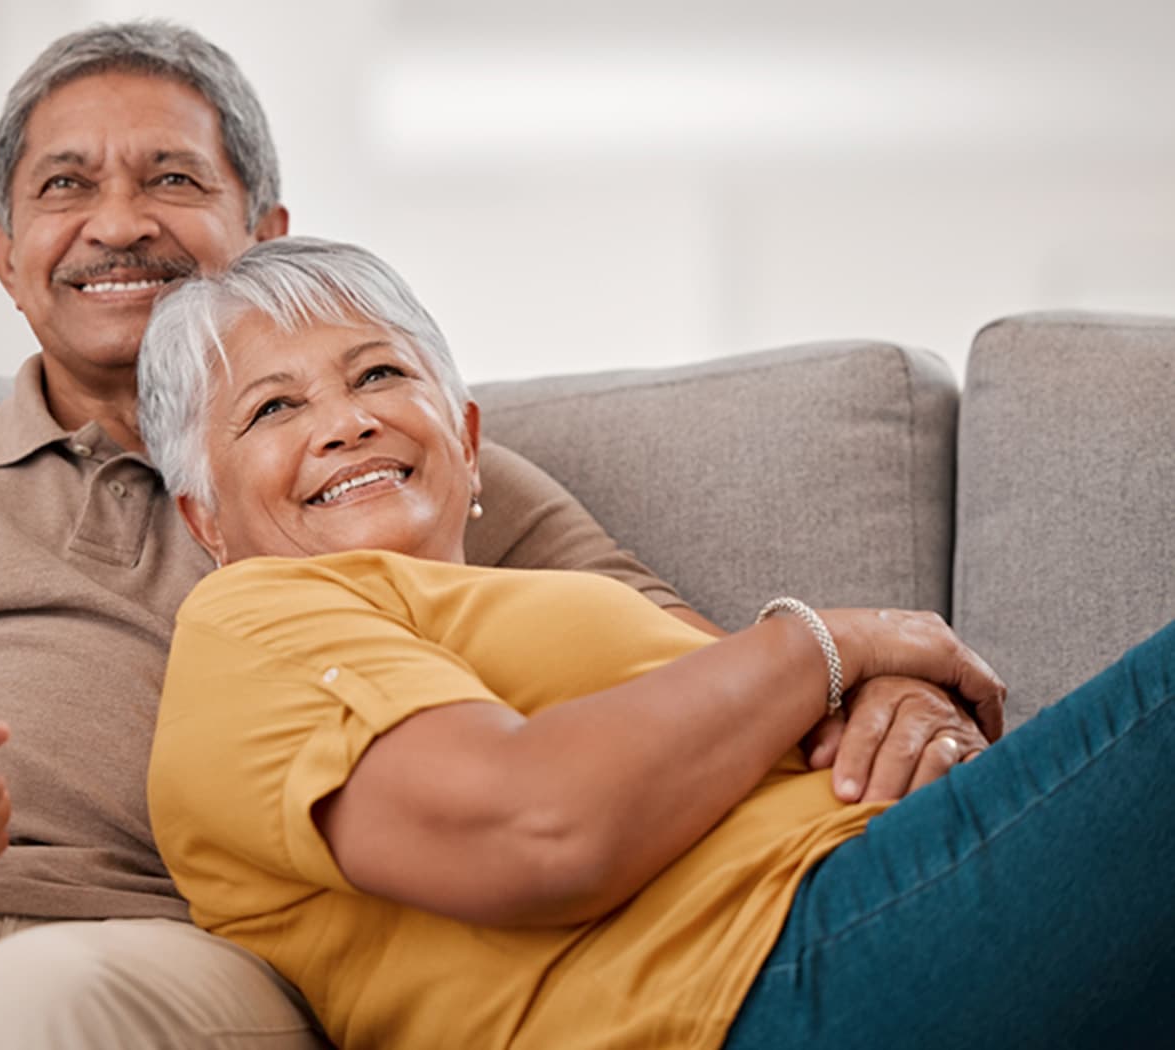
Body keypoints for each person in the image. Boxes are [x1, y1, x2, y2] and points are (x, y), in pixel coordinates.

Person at [0, 17, 744, 1050]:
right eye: (65, 186)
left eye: (172, 179)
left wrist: (863, 670)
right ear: (4, 250)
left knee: (37, 1005)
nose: (118, 222)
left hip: (192, 953)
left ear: (267, 232)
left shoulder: (394, 466)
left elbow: (690, 665)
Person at [138, 236, 1175, 1050]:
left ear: (463, 437)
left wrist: (894, 713)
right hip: (746, 984)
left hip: (874, 891)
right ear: (205, 519)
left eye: (376, 376)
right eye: (275, 406)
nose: (345, 422)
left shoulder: (525, 602)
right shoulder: (253, 624)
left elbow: (724, 736)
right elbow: (538, 830)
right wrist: (834, 644)